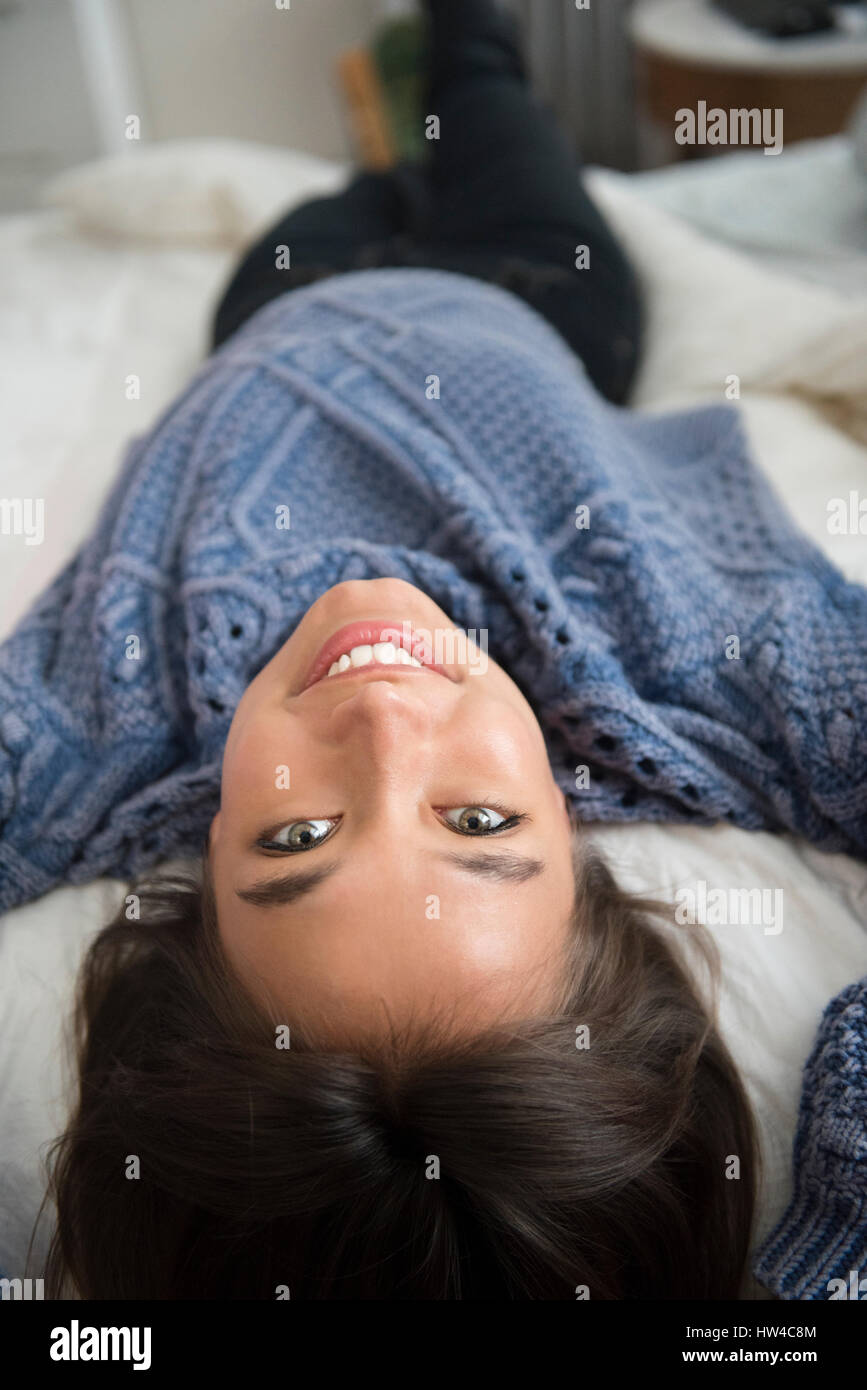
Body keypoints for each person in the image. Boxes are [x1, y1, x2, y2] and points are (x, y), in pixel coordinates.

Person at [2, 0, 864, 1299]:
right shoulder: (710, 670)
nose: (387, 721)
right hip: (532, 285)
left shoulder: (85, 736)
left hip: (275, 309)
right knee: (480, 86)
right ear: (583, 853)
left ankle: (388, 144)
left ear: (194, 903)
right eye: (476, 817)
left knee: (363, 177)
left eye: (294, 841)